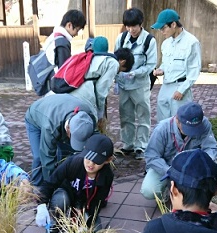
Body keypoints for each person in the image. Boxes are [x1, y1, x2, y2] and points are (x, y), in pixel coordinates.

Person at [35, 134, 114, 233]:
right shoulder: (73, 162)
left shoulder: (107, 176)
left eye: (97, 161)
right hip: (66, 193)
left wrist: (87, 221)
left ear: (107, 160)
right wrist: (41, 204)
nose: (90, 164)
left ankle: (79, 228)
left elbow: (98, 202)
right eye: (88, 158)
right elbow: (50, 183)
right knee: (60, 201)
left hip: (86, 202)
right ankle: (55, 226)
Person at [141, 102, 217, 201]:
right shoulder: (162, 129)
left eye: (196, 128)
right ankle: (168, 191)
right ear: (177, 120)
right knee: (148, 191)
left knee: (215, 165)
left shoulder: (204, 124)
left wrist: (203, 163)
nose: (193, 132)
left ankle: (202, 196)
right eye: (189, 128)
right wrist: (169, 171)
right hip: (166, 166)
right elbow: (152, 156)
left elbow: (212, 148)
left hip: (192, 166)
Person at [114, 7, 158, 160]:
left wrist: (135, 73)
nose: (131, 29)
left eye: (134, 26)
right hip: (124, 85)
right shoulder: (120, 38)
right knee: (125, 116)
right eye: (128, 26)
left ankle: (141, 146)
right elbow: (115, 60)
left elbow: (151, 64)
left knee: (143, 116)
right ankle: (128, 145)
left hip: (139, 85)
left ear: (141, 24)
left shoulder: (149, 40)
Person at [25, 93, 97, 186]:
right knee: (39, 157)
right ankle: (37, 188)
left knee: (65, 154)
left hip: (60, 110)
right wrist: (50, 187)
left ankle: (66, 181)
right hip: (35, 117)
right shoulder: (50, 127)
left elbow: (95, 141)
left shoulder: (89, 118)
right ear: (68, 129)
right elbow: (47, 159)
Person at [150, 9, 202, 122]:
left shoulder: (192, 42)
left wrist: (182, 90)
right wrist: (161, 70)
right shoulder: (166, 43)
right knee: (162, 122)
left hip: (180, 87)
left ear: (173, 24)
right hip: (165, 86)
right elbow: (165, 63)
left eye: (163, 28)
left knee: (180, 123)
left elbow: (194, 71)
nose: (162, 32)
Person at [70, 37, 133, 121]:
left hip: (73, 92)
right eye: (121, 70)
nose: (118, 72)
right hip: (84, 95)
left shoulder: (93, 58)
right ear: (122, 62)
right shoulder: (113, 64)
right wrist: (100, 114)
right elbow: (101, 91)